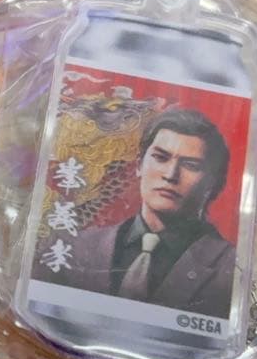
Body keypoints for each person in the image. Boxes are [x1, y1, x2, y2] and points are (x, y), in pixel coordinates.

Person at [37, 108, 236, 319]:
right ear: (139, 165)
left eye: (190, 165)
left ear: (213, 183)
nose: (170, 175)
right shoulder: (78, 247)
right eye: (160, 157)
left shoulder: (230, 270)